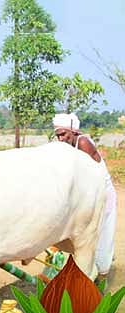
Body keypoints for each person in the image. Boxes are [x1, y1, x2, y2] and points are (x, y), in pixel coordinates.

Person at [53, 113, 117, 283]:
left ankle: (102, 278)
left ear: (73, 131)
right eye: (57, 135)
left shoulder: (82, 142)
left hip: (101, 195)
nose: (60, 139)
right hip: (87, 196)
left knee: (101, 237)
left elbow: (93, 174)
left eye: (63, 134)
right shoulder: (66, 146)